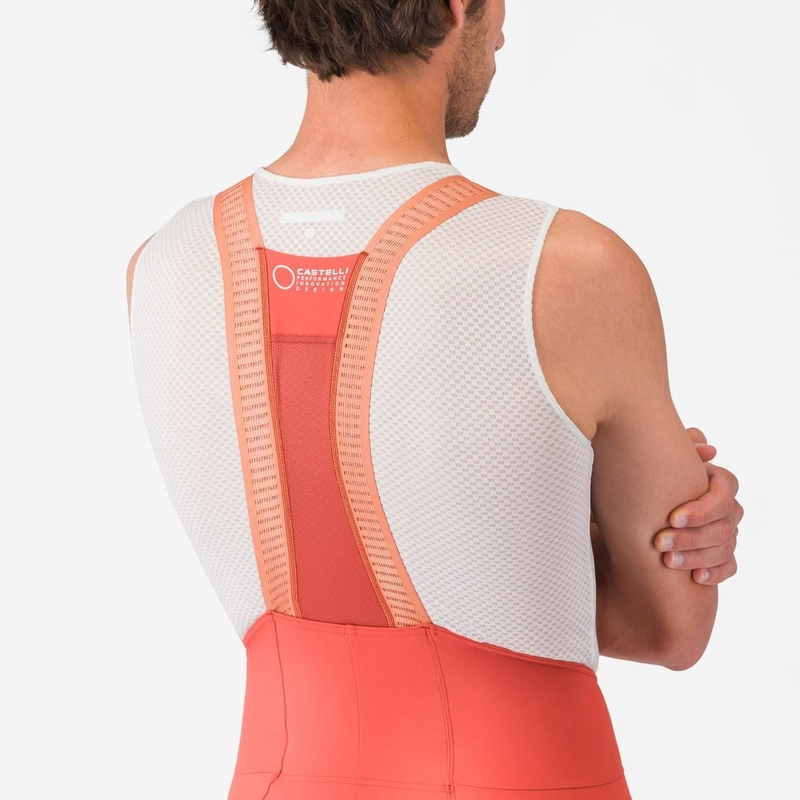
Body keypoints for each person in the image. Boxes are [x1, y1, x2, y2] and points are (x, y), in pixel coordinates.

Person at [125, 1, 744, 798]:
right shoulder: (567, 269)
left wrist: (540, 508)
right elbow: (669, 628)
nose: (505, 28)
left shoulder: (163, 266)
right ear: (455, 8)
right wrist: (621, 523)